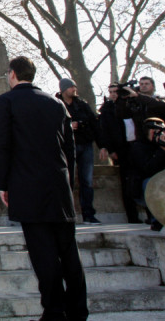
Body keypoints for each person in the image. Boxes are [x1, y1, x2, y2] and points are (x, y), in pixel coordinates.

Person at [0, 56, 87, 321]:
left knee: (43, 252)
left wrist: (2, 184)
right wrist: (68, 182)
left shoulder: (6, 102)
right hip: (58, 185)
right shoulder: (56, 103)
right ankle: (78, 310)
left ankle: (54, 311)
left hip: (27, 185)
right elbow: (69, 148)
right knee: (69, 252)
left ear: (13, 74)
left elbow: (2, 145)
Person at [99, 83, 149, 222]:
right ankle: (132, 216)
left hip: (138, 145)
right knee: (127, 182)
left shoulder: (132, 104)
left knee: (144, 178)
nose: (113, 94)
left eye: (116, 91)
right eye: (111, 92)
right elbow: (104, 131)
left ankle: (151, 215)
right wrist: (110, 149)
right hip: (121, 148)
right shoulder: (106, 109)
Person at [57, 78, 102, 224]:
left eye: (74, 86)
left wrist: (102, 145)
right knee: (66, 180)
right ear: (64, 89)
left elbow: (94, 123)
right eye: (71, 87)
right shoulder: (57, 104)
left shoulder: (82, 105)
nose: (74, 89)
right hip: (66, 147)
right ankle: (67, 213)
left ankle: (88, 214)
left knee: (87, 181)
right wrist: (68, 126)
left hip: (85, 144)